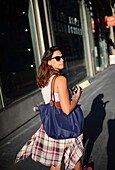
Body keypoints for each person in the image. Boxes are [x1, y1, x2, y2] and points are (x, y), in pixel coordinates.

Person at [15, 46, 84, 170]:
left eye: (63, 57)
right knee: (75, 159)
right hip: (66, 127)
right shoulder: (60, 79)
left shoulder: (44, 79)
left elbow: (53, 99)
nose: (62, 60)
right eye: (57, 58)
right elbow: (67, 109)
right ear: (48, 61)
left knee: (56, 163)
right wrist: (77, 96)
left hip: (52, 126)